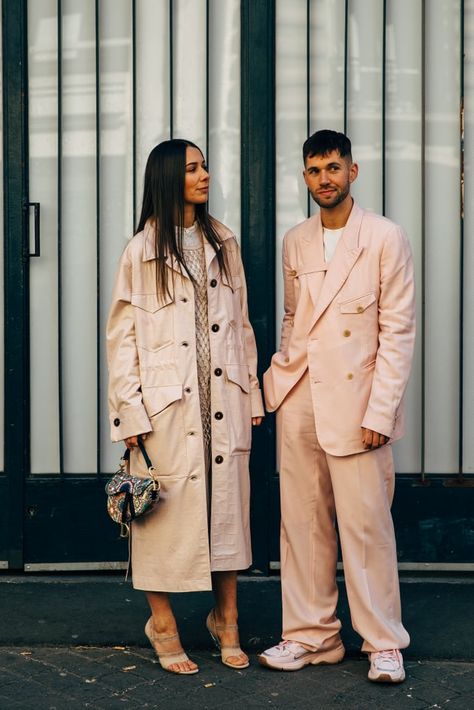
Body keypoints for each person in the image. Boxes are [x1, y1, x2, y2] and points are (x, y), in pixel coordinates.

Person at [259, 130, 415, 683]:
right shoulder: (295, 240)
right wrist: (278, 384)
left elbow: (398, 331)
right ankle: (311, 635)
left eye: (332, 167)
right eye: (313, 170)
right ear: (304, 177)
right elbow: (294, 317)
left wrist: (381, 412)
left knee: (366, 525)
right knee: (301, 523)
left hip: (358, 400)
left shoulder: (384, 237)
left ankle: (382, 643)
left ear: (352, 171)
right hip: (302, 395)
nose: (323, 179)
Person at [107, 139, 264, 675]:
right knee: (160, 516)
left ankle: (227, 620)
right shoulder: (142, 250)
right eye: (193, 168)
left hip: (223, 399)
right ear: (170, 178)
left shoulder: (223, 241)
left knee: (226, 514)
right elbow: (121, 337)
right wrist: (128, 410)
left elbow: (241, 323)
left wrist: (254, 396)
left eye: (204, 166)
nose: (205, 175)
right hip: (165, 408)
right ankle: (164, 624)